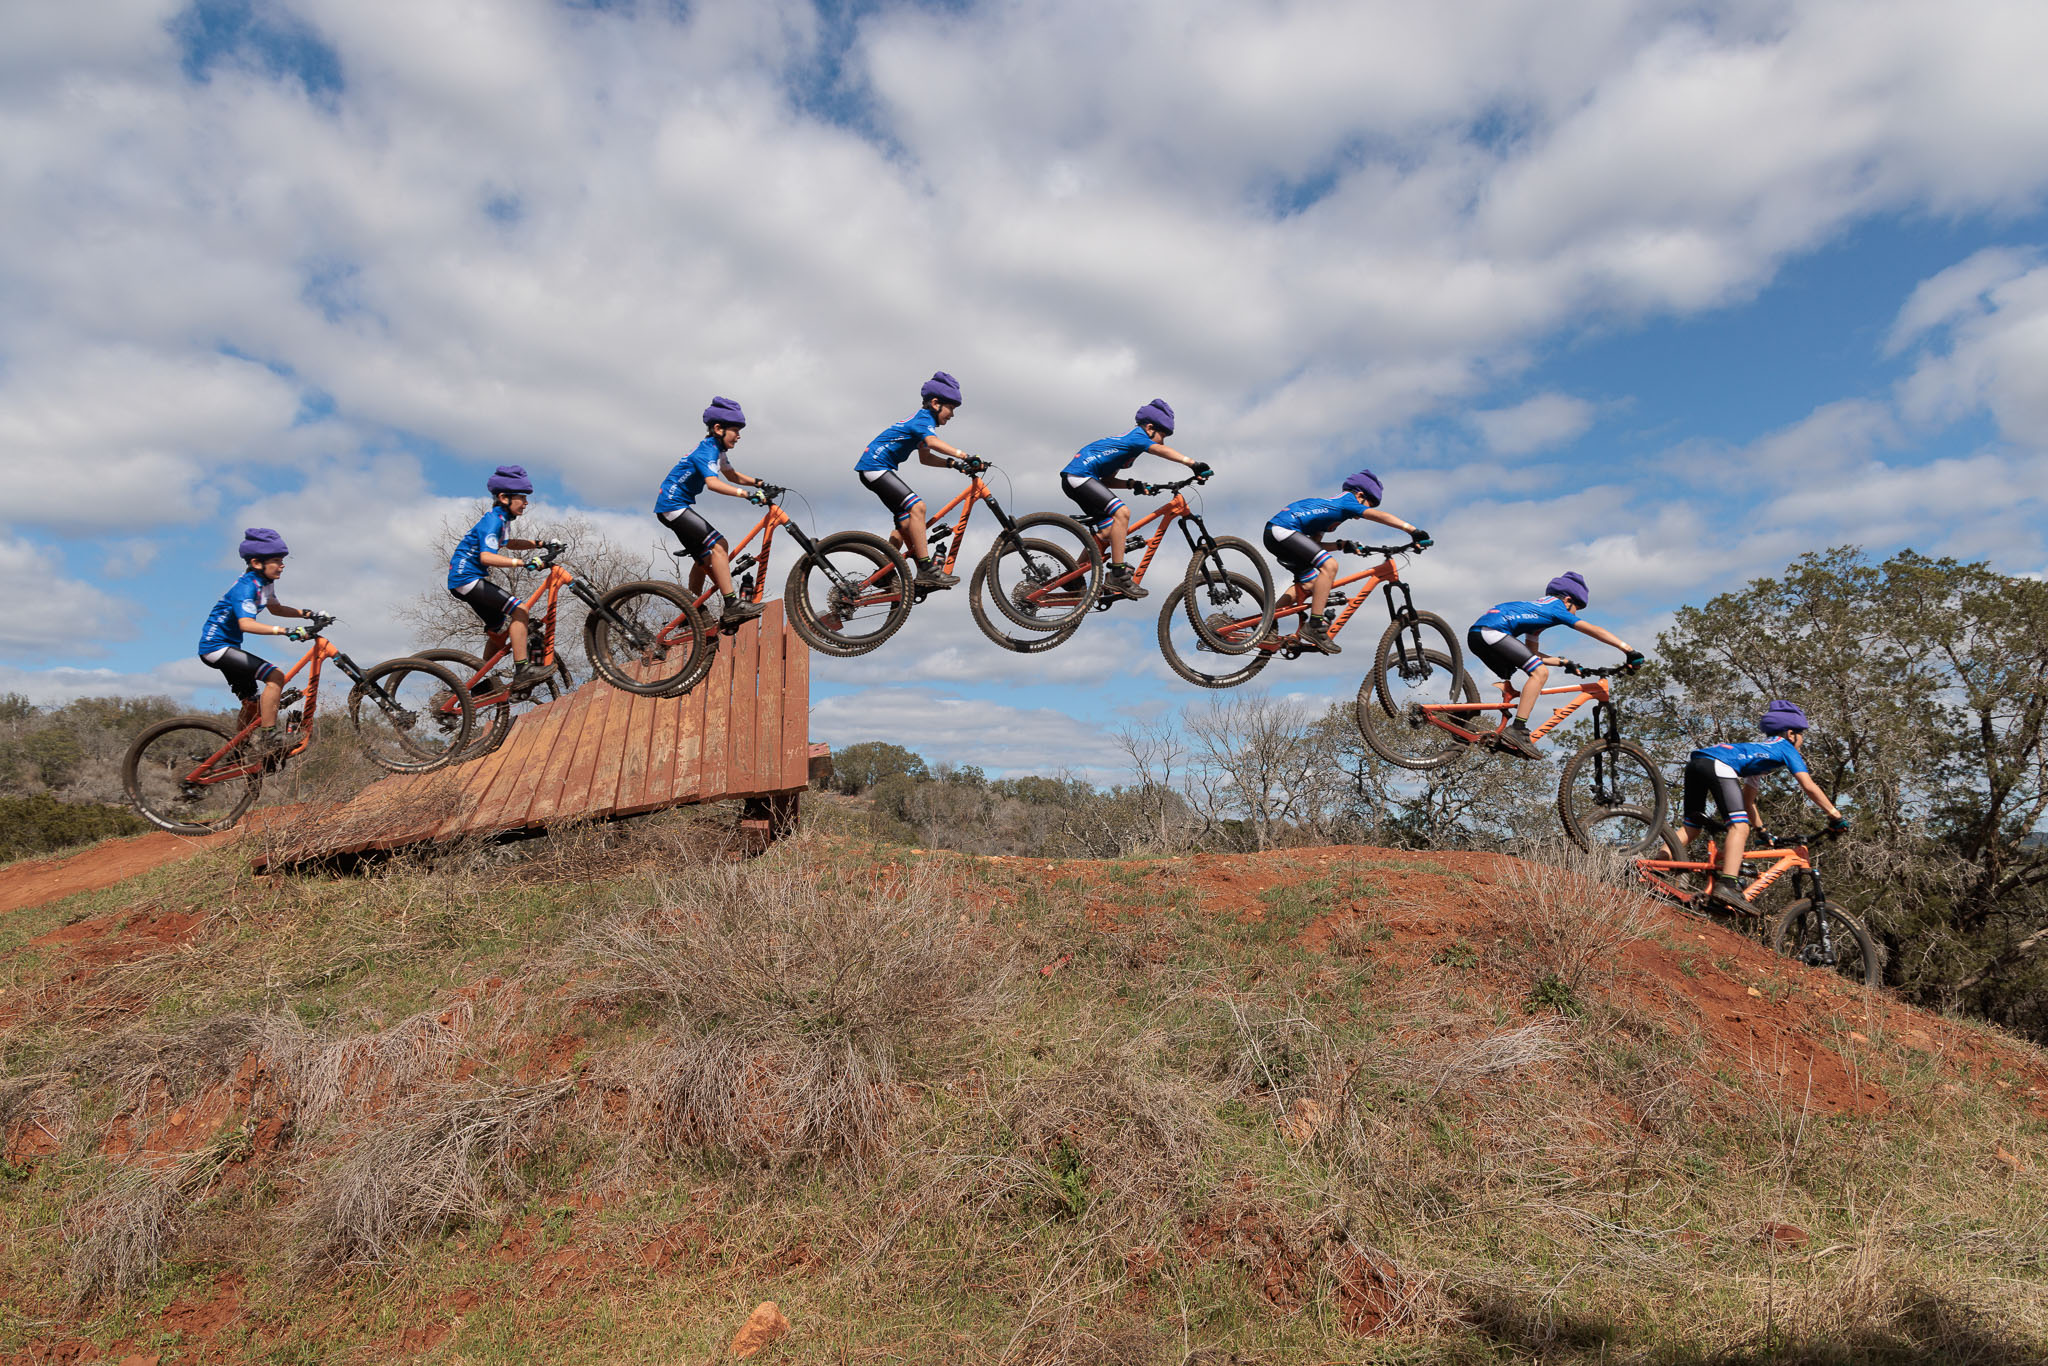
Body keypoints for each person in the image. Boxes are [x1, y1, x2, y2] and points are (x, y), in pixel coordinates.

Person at [1680, 700, 1849, 910]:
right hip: (1717, 764)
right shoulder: (1785, 748)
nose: (1802, 740)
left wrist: (1761, 830)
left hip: (1696, 763)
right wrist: (1834, 814)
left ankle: (1657, 866)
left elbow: (1747, 801)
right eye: (1802, 734)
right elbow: (1809, 786)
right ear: (1791, 734)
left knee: (1692, 827)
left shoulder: (1760, 753)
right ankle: (1728, 885)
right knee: (1739, 827)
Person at [1466, 573, 1644, 757]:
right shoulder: (1556, 607)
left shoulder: (1539, 611)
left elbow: (1532, 654)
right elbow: (1593, 630)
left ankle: (1464, 716)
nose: (1574, 614)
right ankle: (1518, 729)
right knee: (1540, 673)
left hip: (1479, 635)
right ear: (1567, 600)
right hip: (1492, 632)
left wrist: (1564, 662)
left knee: (1521, 669)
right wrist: (1629, 650)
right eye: (1576, 609)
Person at [1262, 470, 1428, 655]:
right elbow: (1378, 516)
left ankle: (1264, 622)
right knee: (1330, 566)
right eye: (1369, 504)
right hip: (1282, 530)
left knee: (1310, 585)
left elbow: (1313, 545)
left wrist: (1341, 545)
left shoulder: (1331, 514)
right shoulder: (1347, 501)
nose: (1360, 514)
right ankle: (1315, 625)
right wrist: (1412, 530)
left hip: (1278, 534)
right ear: (1360, 495)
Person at [1058, 399, 1211, 600]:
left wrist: (1133, 484)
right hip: (1079, 476)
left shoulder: (1128, 451)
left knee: (1107, 532)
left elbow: (1106, 481)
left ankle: (1073, 576)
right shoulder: (1137, 436)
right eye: (1162, 436)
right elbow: (1160, 451)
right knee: (1122, 513)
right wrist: (1192, 464)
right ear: (1150, 428)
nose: (1162, 442)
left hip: (1080, 479)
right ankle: (1118, 573)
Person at [195, 528, 321, 756]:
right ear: (256, 563)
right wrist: (285, 631)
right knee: (275, 676)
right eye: (276, 561)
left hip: (227, 647)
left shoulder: (265, 583)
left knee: (253, 704)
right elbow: (246, 624)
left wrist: (308, 614)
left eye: (282, 560)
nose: (282, 565)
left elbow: (276, 609)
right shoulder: (246, 587)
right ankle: (269, 735)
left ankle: (237, 753)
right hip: (216, 648)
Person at [854, 371, 977, 590]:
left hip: (876, 468)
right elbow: (933, 443)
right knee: (918, 507)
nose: (952, 415)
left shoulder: (923, 423)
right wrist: (963, 455)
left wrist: (953, 464)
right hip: (875, 466)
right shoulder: (923, 420)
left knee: (906, 525)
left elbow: (925, 458)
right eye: (951, 408)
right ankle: (926, 569)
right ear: (936, 403)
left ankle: (884, 572)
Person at [656, 396, 769, 627]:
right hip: (672, 505)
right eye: (735, 430)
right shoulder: (707, 451)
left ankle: (692, 610)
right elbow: (713, 483)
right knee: (719, 545)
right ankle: (732, 604)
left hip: (674, 505)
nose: (738, 436)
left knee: (705, 560)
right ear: (718, 429)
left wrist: (759, 483)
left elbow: (731, 475)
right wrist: (746, 494)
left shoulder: (718, 450)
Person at [447, 465, 555, 692]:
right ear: (504, 497)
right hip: (467, 578)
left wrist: (541, 544)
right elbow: (486, 557)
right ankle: (523, 670)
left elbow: (509, 543)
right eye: (522, 498)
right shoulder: (493, 521)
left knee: (498, 632)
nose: (526, 503)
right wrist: (522, 563)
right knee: (520, 611)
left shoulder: (501, 519)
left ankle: (479, 682)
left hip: (464, 580)